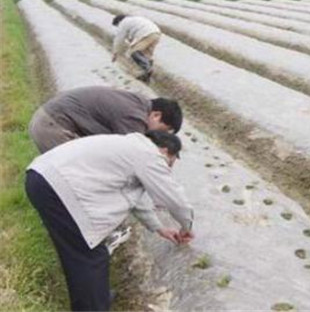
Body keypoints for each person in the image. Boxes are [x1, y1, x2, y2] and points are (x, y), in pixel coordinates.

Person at [25, 131, 194, 311]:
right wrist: (186, 226)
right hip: (57, 188)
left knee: (78, 255)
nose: (168, 168)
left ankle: (97, 299)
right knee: (91, 256)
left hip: (42, 177)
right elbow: (174, 198)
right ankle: (94, 305)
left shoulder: (130, 147)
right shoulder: (149, 154)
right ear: (165, 150)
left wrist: (159, 227)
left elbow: (135, 198)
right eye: (170, 163)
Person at [29, 86, 182, 154]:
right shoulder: (135, 117)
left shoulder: (136, 103)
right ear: (156, 115)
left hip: (48, 120)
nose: (156, 135)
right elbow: (133, 153)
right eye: (162, 130)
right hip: (53, 126)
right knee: (77, 175)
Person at [111, 14, 162, 82]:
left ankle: (147, 68)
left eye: (117, 26)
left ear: (118, 22)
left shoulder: (123, 23)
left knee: (133, 52)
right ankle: (146, 77)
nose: (118, 27)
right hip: (156, 33)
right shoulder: (134, 20)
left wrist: (115, 52)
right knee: (146, 55)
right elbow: (133, 36)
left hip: (146, 34)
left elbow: (119, 39)